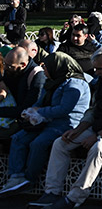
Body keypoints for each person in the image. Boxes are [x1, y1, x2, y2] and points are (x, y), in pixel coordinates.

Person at [33, 48, 102, 209]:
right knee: (60, 143)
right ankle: (52, 192)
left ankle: (75, 197)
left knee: (99, 147)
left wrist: (97, 136)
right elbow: (93, 110)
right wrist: (77, 130)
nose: (96, 72)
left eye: (99, 68)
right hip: (101, 125)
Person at [0, 54, 89, 197]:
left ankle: (29, 178)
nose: (44, 70)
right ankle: (15, 176)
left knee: (38, 143)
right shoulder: (52, 81)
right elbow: (39, 102)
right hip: (47, 121)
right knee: (18, 138)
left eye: (46, 68)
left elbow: (64, 109)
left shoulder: (74, 84)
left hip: (66, 124)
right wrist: (30, 112)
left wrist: (40, 111)